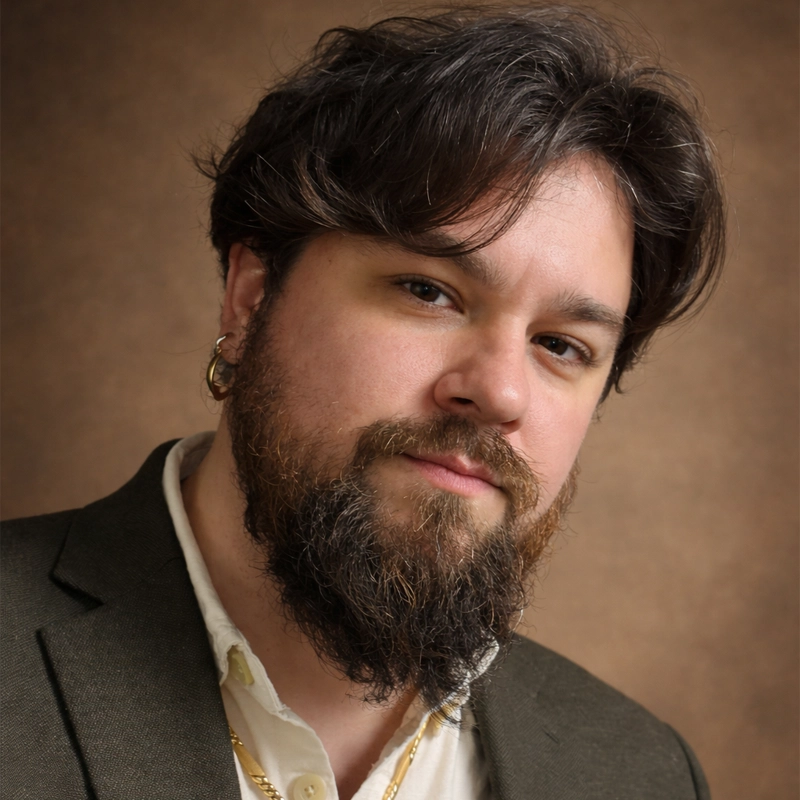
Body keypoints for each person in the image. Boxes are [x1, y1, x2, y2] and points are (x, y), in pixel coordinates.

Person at [1, 5, 725, 799]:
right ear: (250, 299)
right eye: (429, 291)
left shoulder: (640, 771)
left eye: (561, 346)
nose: (498, 391)